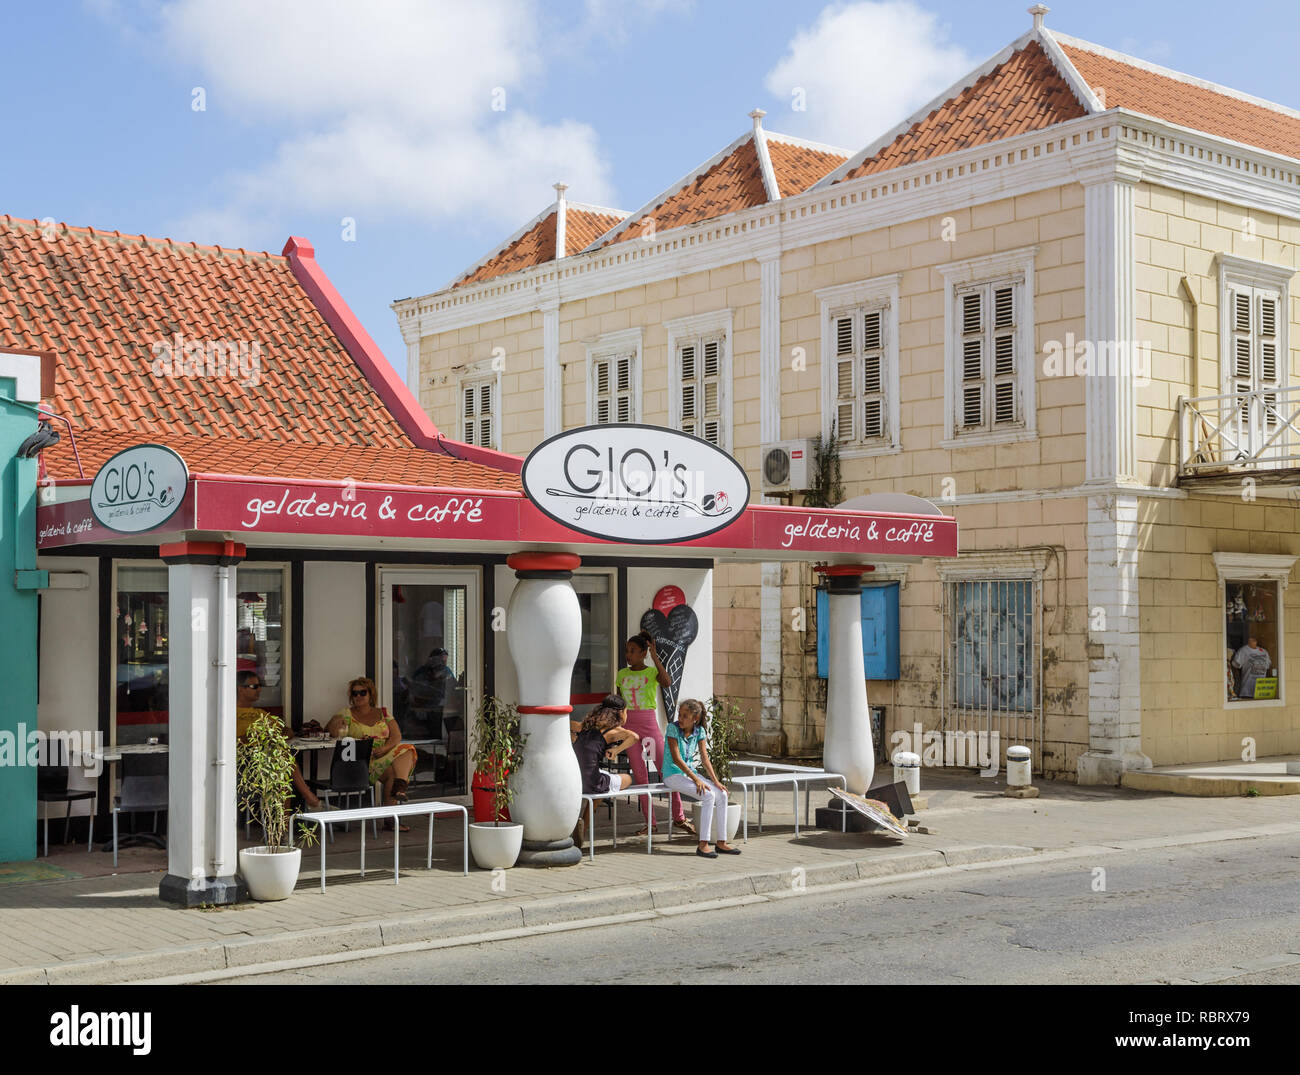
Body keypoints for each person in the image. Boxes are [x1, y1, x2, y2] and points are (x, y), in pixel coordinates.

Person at [614, 631, 692, 836]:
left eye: (633, 651)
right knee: (640, 776)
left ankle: (679, 817)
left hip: (649, 723)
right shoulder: (622, 674)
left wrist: (656, 656)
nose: (628, 655)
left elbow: (666, 682)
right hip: (629, 725)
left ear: (643, 653)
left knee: (667, 770)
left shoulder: (651, 673)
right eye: (627, 651)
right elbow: (620, 702)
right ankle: (651, 823)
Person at [326, 677, 419, 828]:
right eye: (355, 693)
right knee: (392, 775)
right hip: (361, 759)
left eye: (363, 692)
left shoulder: (383, 712)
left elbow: (396, 736)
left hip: (384, 752)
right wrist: (335, 722)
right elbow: (330, 731)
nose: (358, 696)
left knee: (408, 749)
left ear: (371, 694)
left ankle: (399, 788)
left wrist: (384, 749)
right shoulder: (346, 713)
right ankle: (392, 816)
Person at [235, 669, 325, 811]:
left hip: (267, 764)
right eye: (254, 687)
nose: (259, 690)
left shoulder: (260, 713)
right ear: (240, 689)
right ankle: (310, 799)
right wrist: (254, 737)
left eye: (260, 686)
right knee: (282, 756)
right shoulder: (230, 713)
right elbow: (231, 741)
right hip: (244, 767)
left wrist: (275, 735)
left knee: (283, 779)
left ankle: (283, 830)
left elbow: (287, 730)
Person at [664, 698, 739, 858]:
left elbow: (705, 759)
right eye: (680, 714)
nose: (680, 718)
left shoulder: (700, 731)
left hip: (689, 774)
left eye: (685, 715)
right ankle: (703, 844)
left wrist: (716, 781)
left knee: (722, 794)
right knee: (708, 795)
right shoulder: (672, 728)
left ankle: (721, 842)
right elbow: (677, 759)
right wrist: (696, 779)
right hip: (673, 775)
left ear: (695, 718)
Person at [570, 695, 639, 849]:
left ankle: (580, 825)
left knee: (600, 784)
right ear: (620, 712)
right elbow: (634, 737)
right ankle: (584, 826)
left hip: (575, 780)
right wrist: (616, 750)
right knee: (627, 778)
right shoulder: (612, 731)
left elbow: (570, 725)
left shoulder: (585, 726)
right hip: (591, 782)